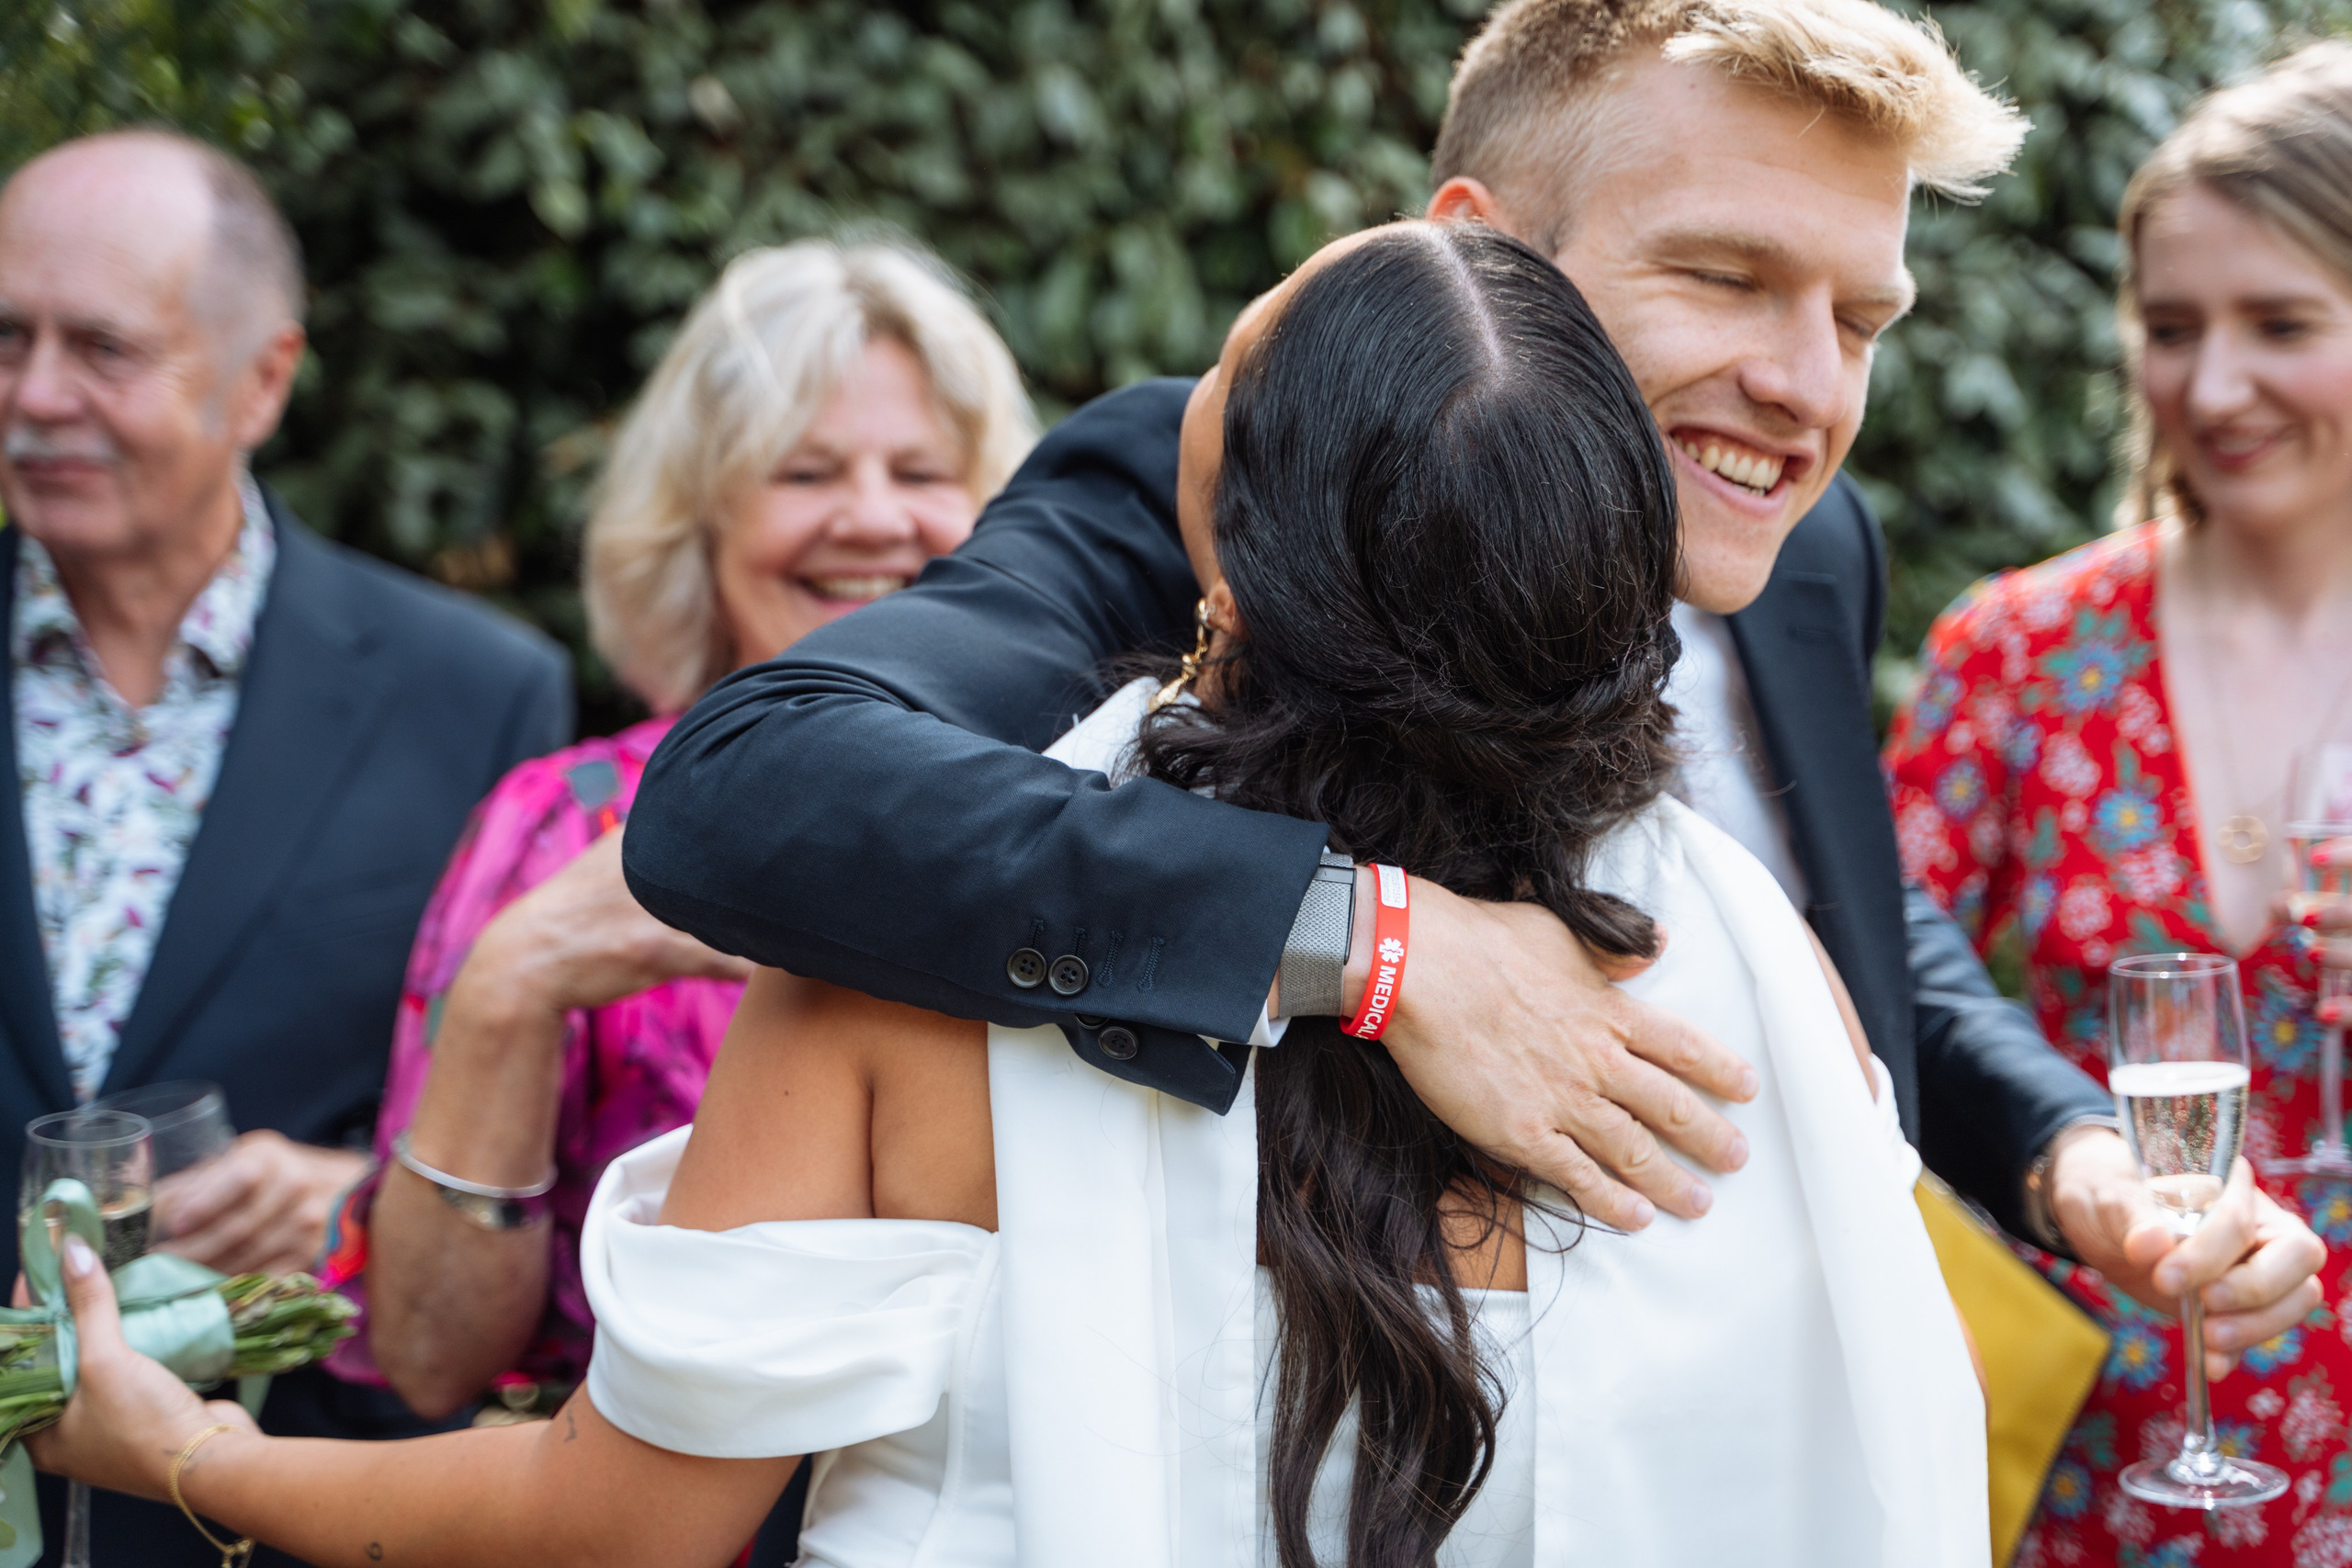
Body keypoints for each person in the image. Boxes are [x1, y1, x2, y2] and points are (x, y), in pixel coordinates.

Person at [26, 217, 1986, 1568]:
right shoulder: (1754, 976)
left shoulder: (907, 982)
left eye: (1215, 364)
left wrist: (184, 1447)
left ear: (1228, 553)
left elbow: (611, 1521)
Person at [618, 0, 2324, 1356]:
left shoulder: (1809, 546)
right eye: (1723, 276)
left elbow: (1848, 912)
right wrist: (1372, 944)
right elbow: (752, 784)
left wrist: (2072, 1159)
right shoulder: (1194, 488)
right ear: (1478, 246)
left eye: (1861, 321)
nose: (1804, 388)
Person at [330, 238, 1036, 1430]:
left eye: (919, 469)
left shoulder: (1082, 799)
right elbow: (429, 1357)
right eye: (804, 472)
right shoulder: (559, 822)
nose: (869, 517)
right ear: (697, 527)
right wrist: (514, 983)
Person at [0, 130, 571, 1562]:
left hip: (285, 1502)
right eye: (6, 339)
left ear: (265, 377)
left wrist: (363, 1192)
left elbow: (542, 1125)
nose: (35, 397)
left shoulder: (478, 695)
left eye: (103, 350)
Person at [1885, 43, 2352, 1567]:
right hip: (2101, 1460)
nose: (2213, 386)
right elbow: (1858, 994)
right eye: (2170, 329)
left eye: (2281, 324)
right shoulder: (2024, 651)